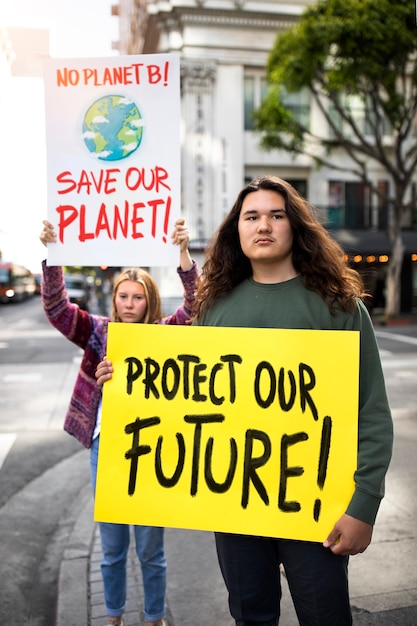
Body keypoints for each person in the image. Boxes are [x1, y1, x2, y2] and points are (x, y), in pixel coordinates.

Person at [190, 176, 393, 625]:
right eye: (251, 216)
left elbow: (371, 410)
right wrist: (121, 379)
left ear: (294, 226)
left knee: (326, 617)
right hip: (235, 507)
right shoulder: (212, 309)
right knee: (251, 617)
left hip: (318, 509)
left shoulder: (338, 306)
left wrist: (364, 504)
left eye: (276, 215)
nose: (264, 225)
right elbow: (183, 398)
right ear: (235, 231)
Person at [40, 217, 199, 626]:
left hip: (152, 454)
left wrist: (183, 254)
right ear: (115, 300)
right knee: (111, 547)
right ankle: (111, 616)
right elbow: (58, 309)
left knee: (150, 549)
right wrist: (53, 255)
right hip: (106, 449)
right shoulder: (98, 333)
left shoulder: (166, 334)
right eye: (123, 296)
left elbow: (198, 306)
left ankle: (153, 616)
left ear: (150, 302)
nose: (129, 304)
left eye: (138, 297)